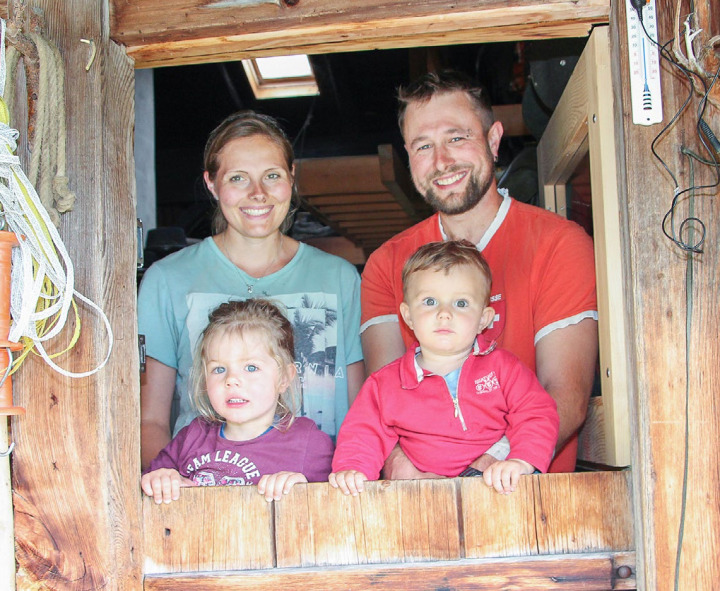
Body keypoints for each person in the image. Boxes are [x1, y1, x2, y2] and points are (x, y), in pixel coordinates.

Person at [360, 70, 597, 474]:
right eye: (423, 146)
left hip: (536, 510)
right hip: (425, 507)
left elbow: (564, 396)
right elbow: (381, 409)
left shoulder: (559, 242)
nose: (441, 161)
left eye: (456, 137)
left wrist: (484, 473)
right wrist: (416, 482)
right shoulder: (385, 264)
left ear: (492, 139)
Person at [138, 111, 364, 470]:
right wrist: (171, 491)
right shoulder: (167, 280)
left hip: (318, 497)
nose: (257, 193)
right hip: (205, 497)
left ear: (291, 177)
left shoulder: (338, 277)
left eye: (271, 176)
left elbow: (360, 411)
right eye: (238, 178)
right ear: (211, 184)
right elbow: (150, 421)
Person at [331, 241, 558, 495]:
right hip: (419, 499)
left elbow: (536, 413)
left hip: (494, 492)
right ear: (407, 317)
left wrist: (521, 461)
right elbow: (363, 432)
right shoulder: (386, 383)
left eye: (460, 303)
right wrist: (353, 469)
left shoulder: (504, 369)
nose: (444, 313)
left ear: (484, 319)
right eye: (430, 301)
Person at [142, 299, 334, 503]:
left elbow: (338, 511)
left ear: (284, 378)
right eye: (219, 369)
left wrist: (303, 491)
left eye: (251, 367)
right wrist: (162, 479)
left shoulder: (309, 443)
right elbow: (148, 488)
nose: (231, 380)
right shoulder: (192, 436)